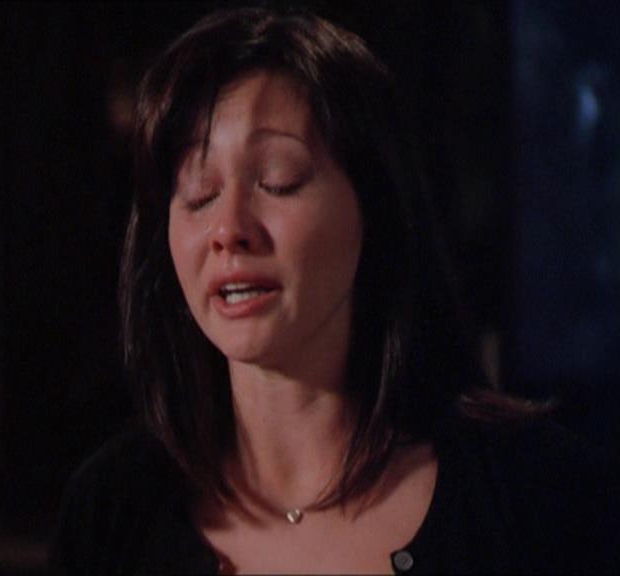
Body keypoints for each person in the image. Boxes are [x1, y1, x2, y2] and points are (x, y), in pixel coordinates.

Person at [49, 6, 619, 574]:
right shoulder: (112, 514)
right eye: (199, 195)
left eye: (278, 180)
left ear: (374, 206)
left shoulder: (537, 497)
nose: (229, 231)